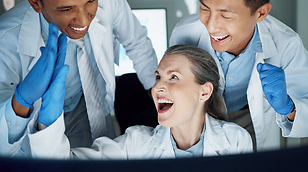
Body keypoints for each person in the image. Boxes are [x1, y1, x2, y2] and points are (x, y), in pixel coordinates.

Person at [169, 0, 308, 151]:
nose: (211, 26)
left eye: (226, 15)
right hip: (199, 125)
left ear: (261, 13)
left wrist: (287, 106)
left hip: (250, 124)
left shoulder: (285, 43)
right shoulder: (186, 33)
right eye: (205, 9)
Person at [0, 0, 158, 156]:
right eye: (66, 8)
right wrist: (22, 100)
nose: (84, 19)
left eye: (91, 0)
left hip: (95, 113)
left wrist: (159, 96)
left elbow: (137, 41)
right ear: (35, 1)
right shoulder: (5, 41)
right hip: (34, 135)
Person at [27, 45, 253, 159]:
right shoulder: (135, 144)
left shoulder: (234, 141)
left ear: (204, 92)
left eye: (173, 77)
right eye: (158, 77)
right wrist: (47, 125)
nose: (157, 87)